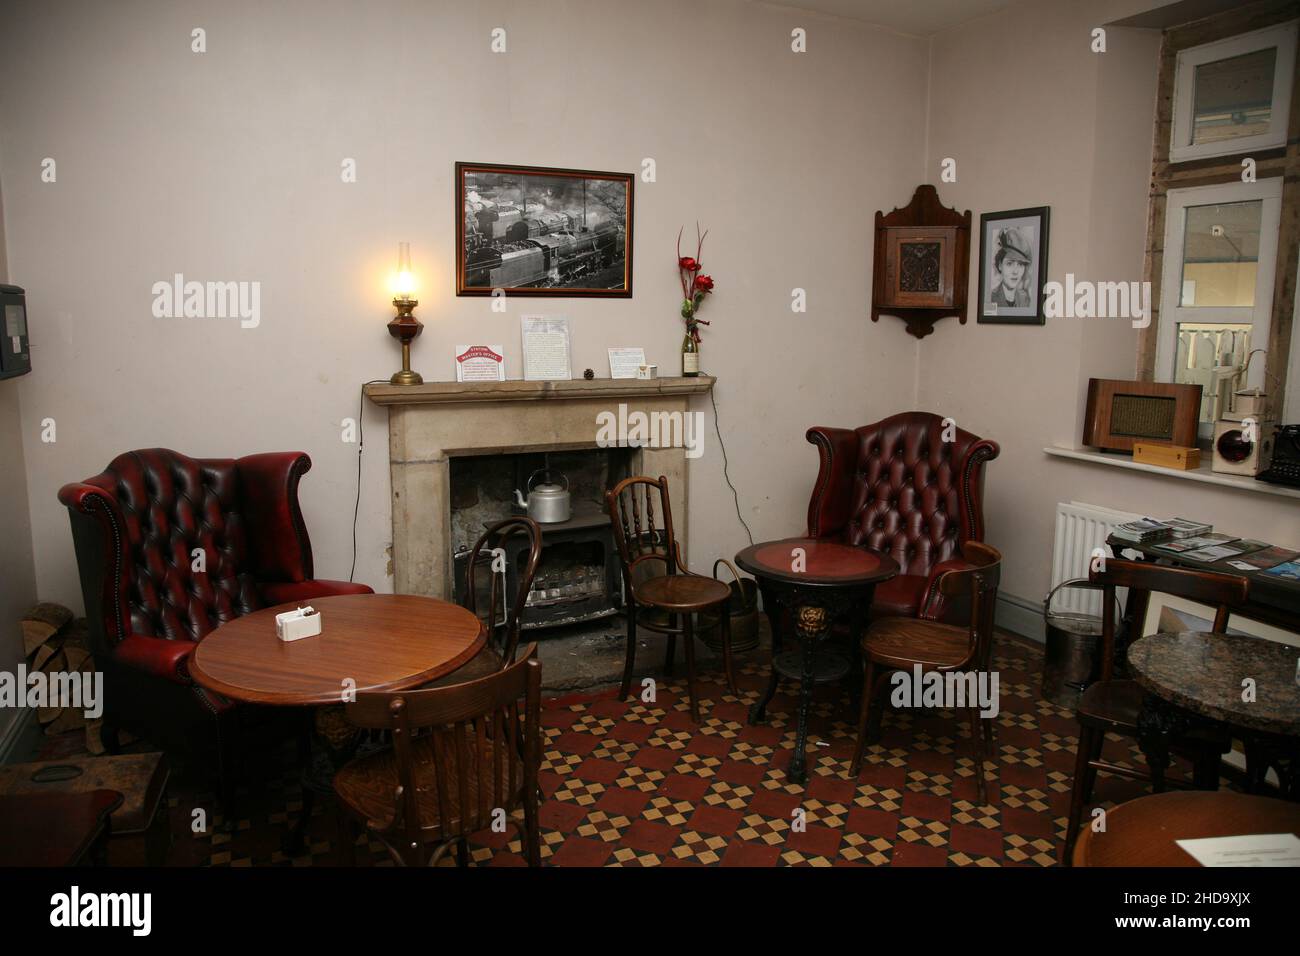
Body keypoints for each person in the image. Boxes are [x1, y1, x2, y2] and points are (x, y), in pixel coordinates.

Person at [987, 226, 1033, 310]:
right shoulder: (990, 298)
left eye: (1020, 264)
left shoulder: (1025, 300)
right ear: (1000, 265)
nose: (1015, 272)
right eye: (1009, 263)